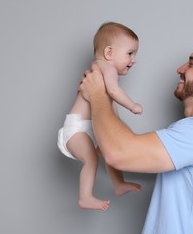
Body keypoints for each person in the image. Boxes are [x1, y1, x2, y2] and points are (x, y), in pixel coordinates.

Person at [80, 39, 193, 233]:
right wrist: (107, 98)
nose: (180, 69)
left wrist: (97, 94)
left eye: (192, 64)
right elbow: (124, 143)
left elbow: (119, 153)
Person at [57, 22, 142, 210]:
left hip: (88, 128)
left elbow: (107, 104)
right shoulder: (107, 68)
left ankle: (118, 184)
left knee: (108, 150)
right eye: (130, 53)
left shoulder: (100, 69)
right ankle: (85, 197)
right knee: (92, 159)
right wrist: (132, 105)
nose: (134, 60)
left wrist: (117, 122)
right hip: (77, 129)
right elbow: (113, 91)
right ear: (109, 53)